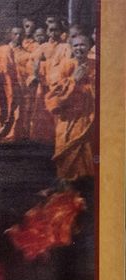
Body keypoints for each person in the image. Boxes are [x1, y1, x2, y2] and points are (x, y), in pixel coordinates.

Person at [44, 35, 96, 181]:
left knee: (88, 153)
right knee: (68, 153)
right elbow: (55, 94)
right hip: (69, 118)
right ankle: (67, 187)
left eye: (82, 45)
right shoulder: (64, 65)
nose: (79, 48)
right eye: (76, 45)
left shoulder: (96, 65)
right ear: (71, 48)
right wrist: (74, 80)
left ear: (89, 47)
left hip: (90, 116)